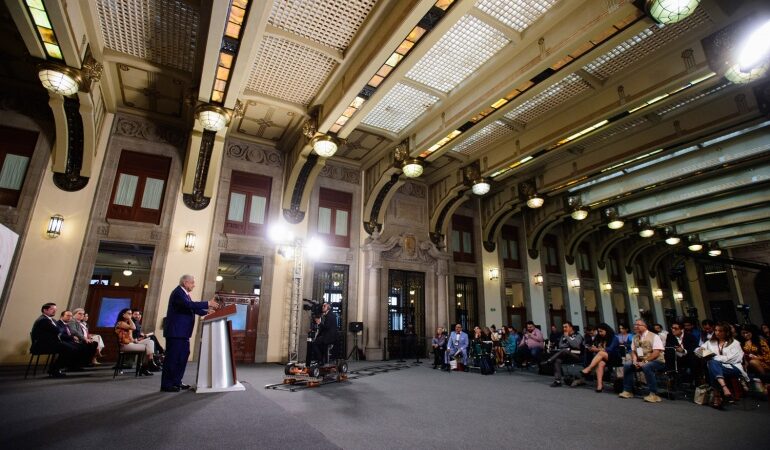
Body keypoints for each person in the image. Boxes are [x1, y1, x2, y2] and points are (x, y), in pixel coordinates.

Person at [160, 275, 219, 392]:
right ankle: (167, 384)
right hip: (175, 333)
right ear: (185, 282)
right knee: (172, 359)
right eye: (192, 283)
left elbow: (192, 308)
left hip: (183, 333)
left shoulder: (185, 294)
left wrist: (207, 312)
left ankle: (176, 381)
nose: (194, 285)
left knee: (182, 358)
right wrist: (208, 303)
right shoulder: (178, 293)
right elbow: (188, 305)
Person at [699, 321, 749, 409]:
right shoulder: (710, 342)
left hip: (733, 368)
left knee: (712, 364)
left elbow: (732, 359)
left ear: (726, 332)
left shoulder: (735, 343)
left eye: (720, 331)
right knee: (712, 364)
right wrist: (701, 351)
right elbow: (699, 349)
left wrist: (714, 357)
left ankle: (717, 395)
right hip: (717, 368)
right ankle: (724, 388)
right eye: (716, 330)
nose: (717, 333)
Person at [618, 319, 666, 403]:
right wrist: (634, 361)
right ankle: (628, 391)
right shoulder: (635, 337)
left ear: (645, 326)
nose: (635, 327)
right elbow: (633, 351)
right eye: (635, 325)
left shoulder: (654, 336)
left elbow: (656, 353)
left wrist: (644, 362)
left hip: (657, 361)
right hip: (641, 360)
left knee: (647, 366)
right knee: (627, 365)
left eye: (638, 325)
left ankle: (653, 394)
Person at [30, 303, 77, 377]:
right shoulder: (43, 320)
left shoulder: (52, 320)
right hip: (42, 345)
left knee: (72, 347)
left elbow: (58, 330)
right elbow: (58, 330)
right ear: (45, 310)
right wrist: (59, 331)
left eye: (55, 309)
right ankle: (55, 370)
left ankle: (56, 369)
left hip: (50, 343)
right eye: (52, 309)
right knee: (69, 348)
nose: (54, 311)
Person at [580, 323, 621, 392]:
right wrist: (593, 348)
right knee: (600, 363)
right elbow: (596, 346)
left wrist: (597, 349)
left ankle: (588, 369)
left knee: (601, 353)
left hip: (615, 357)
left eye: (601, 331)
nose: (600, 333)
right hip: (604, 358)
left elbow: (610, 349)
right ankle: (599, 385)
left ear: (606, 330)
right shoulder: (599, 338)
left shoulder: (614, 338)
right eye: (598, 331)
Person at [115, 308, 155, 376]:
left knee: (150, 341)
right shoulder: (121, 323)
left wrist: (135, 340)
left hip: (130, 343)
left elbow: (131, 338)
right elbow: (133, 327)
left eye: (131, 314)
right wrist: (129, 318)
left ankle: (149, 363)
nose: (130, 315)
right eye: (129, 314)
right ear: (123, 314)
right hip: (125, 345)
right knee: (147, 346)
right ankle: (146, 365)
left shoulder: (127, 323)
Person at [545, 322, 583, 387]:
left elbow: (575, 345)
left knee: (564, 350)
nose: (564, 329)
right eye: (563, 327)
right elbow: (560, 345)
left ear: (571, 327)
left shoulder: (578, 335)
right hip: (565, 355)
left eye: (566, 327)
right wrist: (569, 344)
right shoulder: (563, 336)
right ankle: (558, 381)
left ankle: (549, 360)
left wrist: (567, 337)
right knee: (557, 360)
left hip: (576, 355)